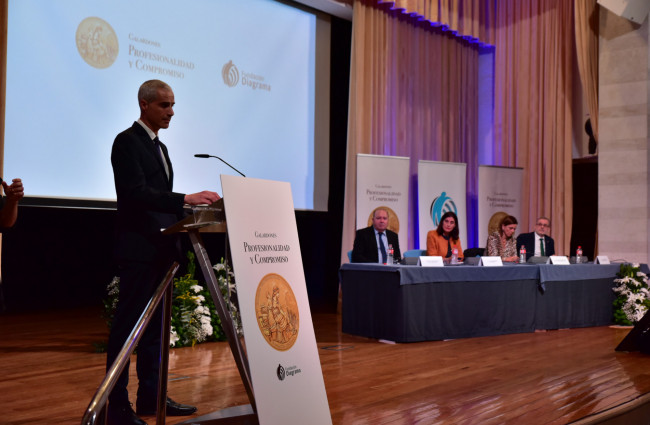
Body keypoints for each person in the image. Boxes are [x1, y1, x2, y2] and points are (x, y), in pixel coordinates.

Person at [107, 80, 221, 425]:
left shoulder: (161, 148)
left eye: (173, 105)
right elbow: (135, 193)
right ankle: (117, 406)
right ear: (144, 104)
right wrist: (184, 199)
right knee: (129, 329)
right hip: (139, 250)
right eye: (164, 106)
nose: (171, 112)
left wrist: (194, 215)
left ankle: (150, 397)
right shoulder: (126, 142)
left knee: (156, 329)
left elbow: (159, 200)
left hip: (161, 249)